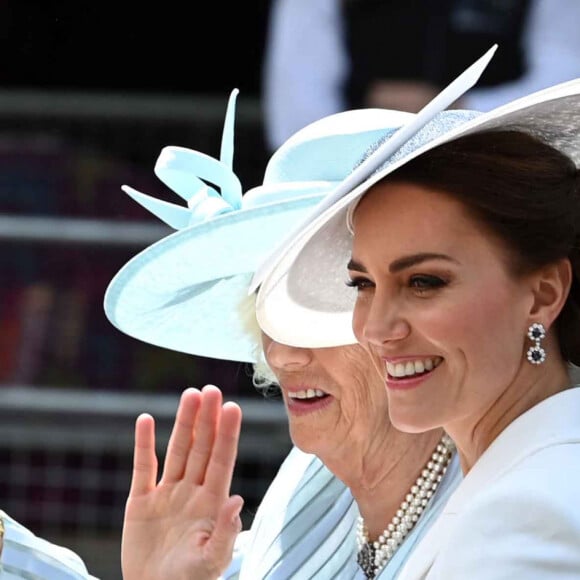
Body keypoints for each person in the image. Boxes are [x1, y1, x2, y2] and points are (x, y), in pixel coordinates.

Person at [104, 89, 463, 579]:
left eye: (320, 304)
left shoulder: (509, 503)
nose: (282, 354)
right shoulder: (305, 484)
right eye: (270, 309)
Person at [252, 53, 580, 577]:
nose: (377, 329)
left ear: (542, 295)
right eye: (362, 284)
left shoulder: (530, 510)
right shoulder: (512, 477)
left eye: (424, 282)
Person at [263, 0, 580, 152]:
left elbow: (566, 91)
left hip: (496, 167)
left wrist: (452, 109)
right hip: (356, 175)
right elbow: (295, 120)